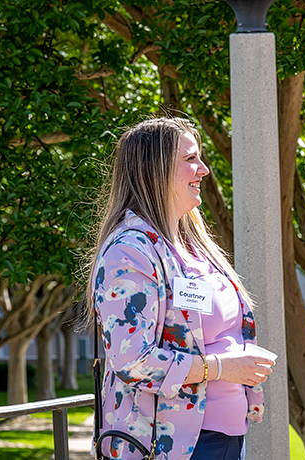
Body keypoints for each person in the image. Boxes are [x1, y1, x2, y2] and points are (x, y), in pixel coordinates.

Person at [87, 117, 277, 460]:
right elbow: (132, 361)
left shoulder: (192, 244)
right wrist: (222, 368)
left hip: (225, 438)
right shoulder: (129, 251)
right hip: (170, 447)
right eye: (190, 159)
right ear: (155, 170)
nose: (203, 169)